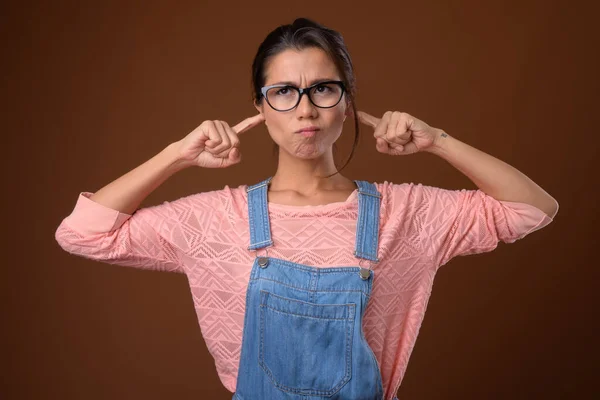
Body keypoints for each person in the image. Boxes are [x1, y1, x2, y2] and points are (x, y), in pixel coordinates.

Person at [55, 17, 559, 400]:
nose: (305, 109)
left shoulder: (404, 213)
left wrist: (438, 142)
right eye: (283, 92)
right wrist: (175, 155)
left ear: (345, 100)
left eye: (322, 88)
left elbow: (532, 208)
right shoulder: (214, 219)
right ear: (259, 108)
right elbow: (82, 233)